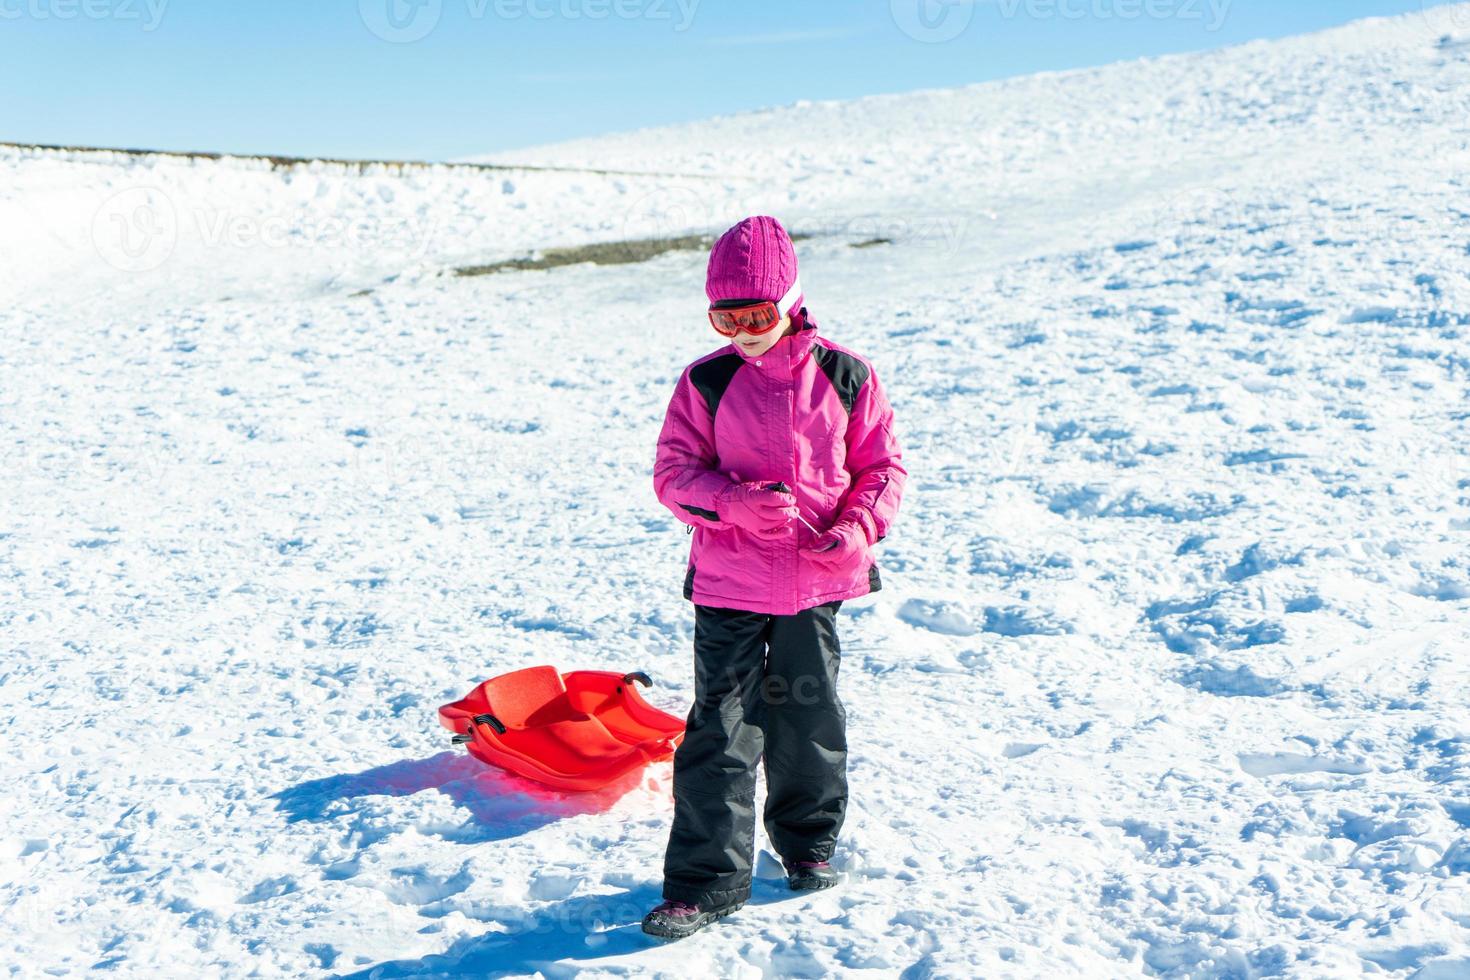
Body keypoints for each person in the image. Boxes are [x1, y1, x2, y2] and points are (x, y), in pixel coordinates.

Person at [641, 215, 907, 940]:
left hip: (816, 585)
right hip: (730, 586)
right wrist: (731, 504)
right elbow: (672, 475)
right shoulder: (707, 380)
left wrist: (857, 528)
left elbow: (881, 470)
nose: (745, 330)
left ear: (790, 298)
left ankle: (808, 844)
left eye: (758, 313)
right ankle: (704, 884)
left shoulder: (845, 374)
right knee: (721, 731)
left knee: (808, 718)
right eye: (726, 316)